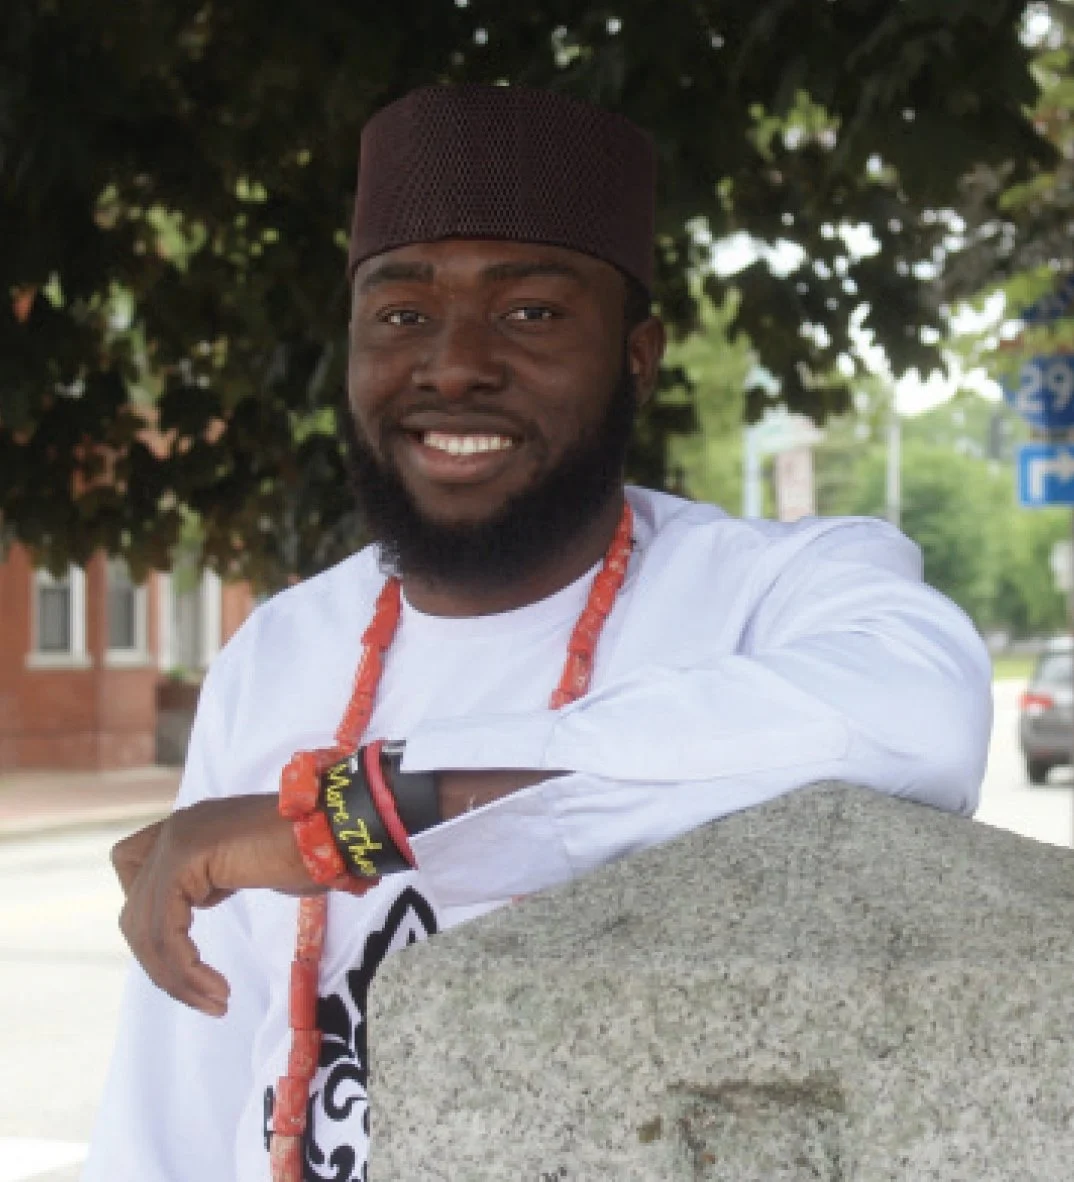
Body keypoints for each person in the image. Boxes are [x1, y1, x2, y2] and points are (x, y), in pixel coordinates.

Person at [84, 84, 992, 1182]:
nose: (454, 365)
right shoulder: (277, 652)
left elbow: (920, 717)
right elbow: (171, 1119)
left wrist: (351, 819)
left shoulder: (765, 594)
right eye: (402, 313)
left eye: (530, 313)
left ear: (639, 356)